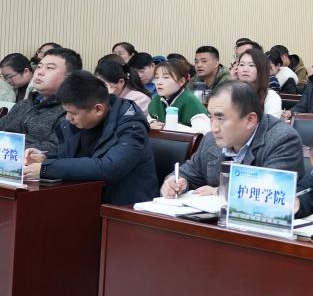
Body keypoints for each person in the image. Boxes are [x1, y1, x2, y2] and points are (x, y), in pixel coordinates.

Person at [24, 71, 158, 205]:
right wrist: (45, 158)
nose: (68, 118)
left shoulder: (131, 126)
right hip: (86, 198)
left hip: (124, 207)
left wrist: (46, 168)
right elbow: (71, 157)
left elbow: (109, 167)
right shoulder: (78, 121)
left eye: (72, 113)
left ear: (98, 109)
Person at [160, 81, 304, 196]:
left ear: (250, 120)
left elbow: (271, 192)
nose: (214, 127)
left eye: (221, 118)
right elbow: (188, 173)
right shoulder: (211, 139)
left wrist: (220, 192)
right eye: (211, 117)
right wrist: (176, 182)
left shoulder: (282, 139)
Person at [0, 47, 81, 154]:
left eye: (50, 68)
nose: (40, 72)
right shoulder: (24, 104)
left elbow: (54, 149)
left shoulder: (70, 112)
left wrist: (7, 146)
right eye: (39, 66)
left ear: (69, 77)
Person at [148, 59, 210, 133]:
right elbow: (148, 118)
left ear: (181, 81)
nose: (159, 82)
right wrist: (151, 123)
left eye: (166, 77)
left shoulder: (190, 101)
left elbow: (203, 132)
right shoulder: (157, 99)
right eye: (157, 77)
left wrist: (168, 127)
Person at [234, 48, 282, 119]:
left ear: (261, 69)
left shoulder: (271, 97)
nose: (245, 69)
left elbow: (270, 124)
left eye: (251, 65)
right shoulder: (230, 93)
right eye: (241, 65)